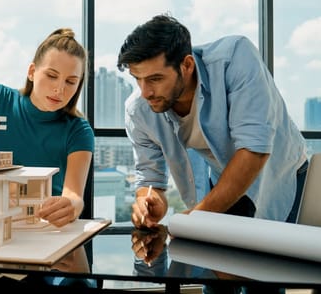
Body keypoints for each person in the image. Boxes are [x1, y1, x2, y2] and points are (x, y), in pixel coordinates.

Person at [117, 14, 308, 231]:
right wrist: (150, 202)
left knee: (283, 261)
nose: (145, 92)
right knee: (225, 261)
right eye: (137, 79)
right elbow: (151, 180)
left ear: (187, 65)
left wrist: (195, 219)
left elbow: (254, 149)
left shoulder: (235, 58)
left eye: (155, 79)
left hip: (282, 176)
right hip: (226, 181)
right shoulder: (139, 110)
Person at [0, 28, 94, 228]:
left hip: (44, 228)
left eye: (71, 81)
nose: (60, 89)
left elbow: (73, 194)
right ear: (31, 72)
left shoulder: (79, 130)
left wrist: (71, 206)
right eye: (52, 75)